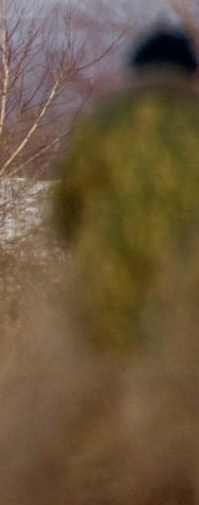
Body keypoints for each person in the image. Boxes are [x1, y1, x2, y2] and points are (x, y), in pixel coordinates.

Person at [51, 26, 199, 354]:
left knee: (112, 383)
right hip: (186, 286)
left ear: (136, 70)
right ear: (190, 73)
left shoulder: (103, 123)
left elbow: (66, 209)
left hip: (109, 283)